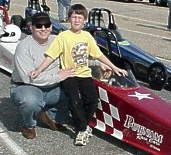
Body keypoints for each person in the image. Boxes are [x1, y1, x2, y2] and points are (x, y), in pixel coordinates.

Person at [30, 4, 127, 146]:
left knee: (92, 100)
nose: (76, 20)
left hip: (84, 74)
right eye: (74, 17)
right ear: (69, 19)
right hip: (69, 74)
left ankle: (83, 125)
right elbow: (51, 56)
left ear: (84, 21)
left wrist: (114, 66)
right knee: (74, 100)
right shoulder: (63, 36)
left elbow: (97, 54)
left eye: (79, 18)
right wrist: (39, 70)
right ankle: (82, 130)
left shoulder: (87, 36)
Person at [10, 12, 74, 139]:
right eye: (39, 26)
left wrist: (99, 64)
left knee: (75, 89)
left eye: (47, 25)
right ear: (31, 27)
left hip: (52, 86)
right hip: (27, 86)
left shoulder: (57, 40)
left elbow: (77, 53)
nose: (43, 29)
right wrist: (58, 77)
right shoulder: (23, 47)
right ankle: (28, 125)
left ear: (51, 26)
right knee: (31, 101)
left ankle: (52, 117)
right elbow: (28, 78)